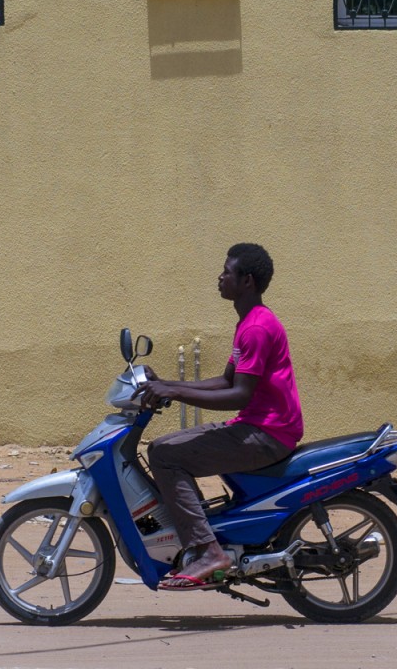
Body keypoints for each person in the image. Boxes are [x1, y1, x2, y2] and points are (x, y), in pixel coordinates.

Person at [136, 243, 304, 591]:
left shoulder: (256, 328)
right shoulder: (250, 322)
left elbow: (238, 395)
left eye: (227, 271)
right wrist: (166, 383)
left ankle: (208, 550)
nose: (220, 276)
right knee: (165, 448)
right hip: (259, 427)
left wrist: (176, 392)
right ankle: (200, 534)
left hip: (266, 433)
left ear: (247, 281)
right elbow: (227, 380)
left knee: (165, 454)